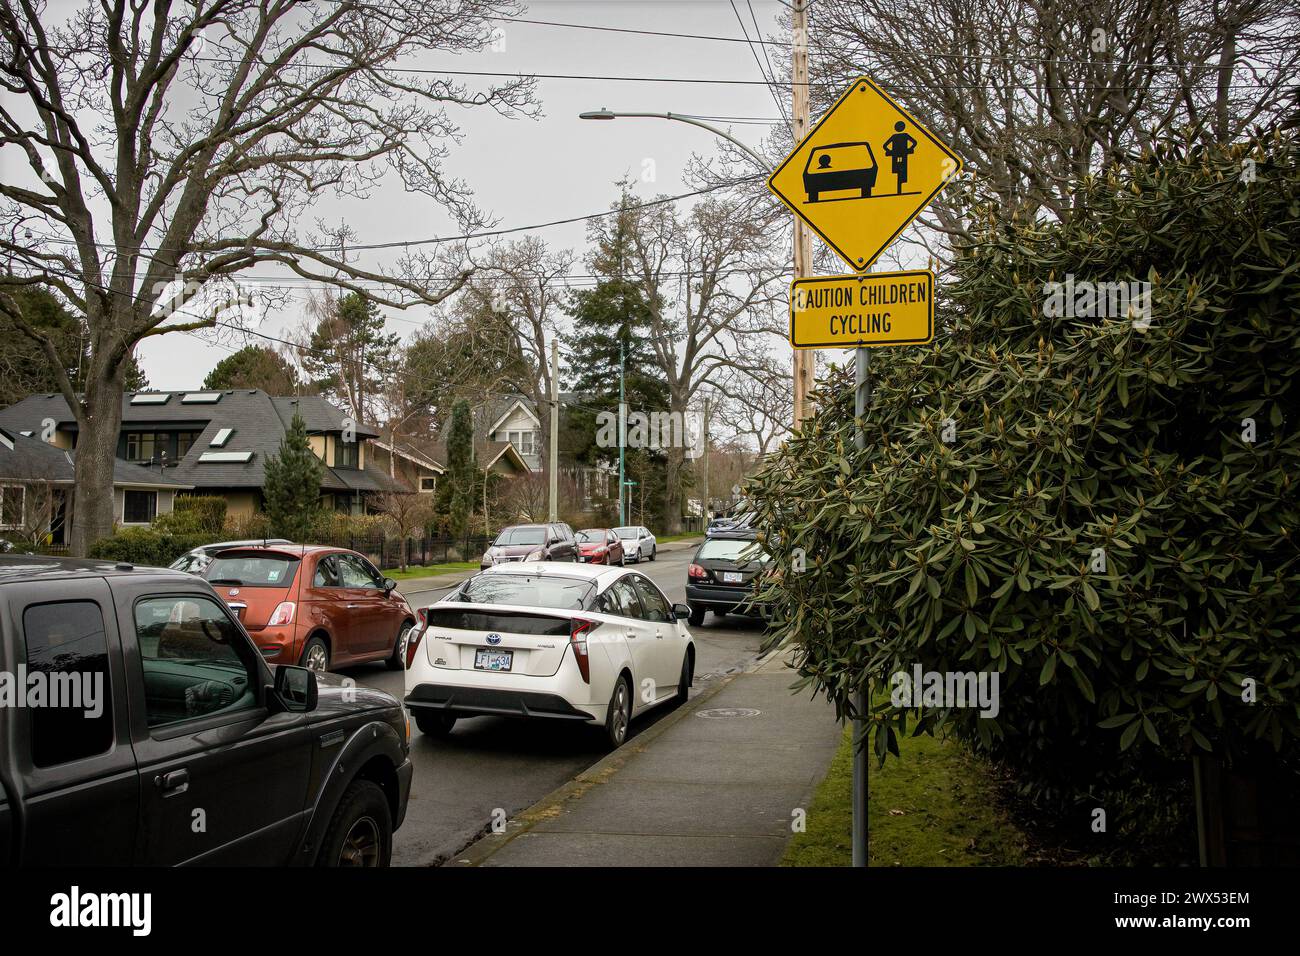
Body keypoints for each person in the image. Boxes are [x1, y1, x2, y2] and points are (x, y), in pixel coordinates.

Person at [883, 121, 917, 194]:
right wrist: (909, 148)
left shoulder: (895, 136)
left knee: (901, 170)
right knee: (900, 170)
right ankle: (899, 188)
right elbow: (914, 142)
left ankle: (900, 188)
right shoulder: (904, 135)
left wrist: (890, 151)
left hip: (898, 155)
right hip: (900, 155)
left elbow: (885, 146)